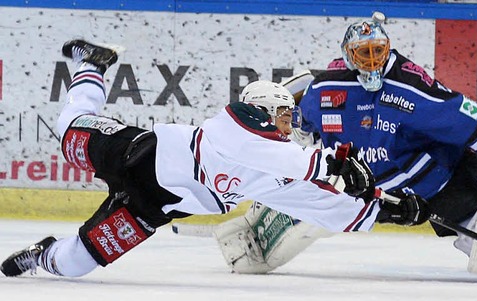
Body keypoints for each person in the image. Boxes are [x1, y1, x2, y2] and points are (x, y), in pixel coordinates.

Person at [214, 12, 477, 281]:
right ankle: (260, 228)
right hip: (366, 187)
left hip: (437, 181)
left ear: (388, 50)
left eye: (377, 52)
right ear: (349, 56)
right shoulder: (325, 90)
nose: (371, 61)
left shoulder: (410, 87)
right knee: (313, 200)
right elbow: (301, 127)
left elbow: (470, 121)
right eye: (362, 54)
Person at [0, 39, 426, 278]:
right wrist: (329, 164)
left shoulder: (274, 171)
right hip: (133, 153)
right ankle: (91, 67)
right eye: (282, 113)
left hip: (150, 207)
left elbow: (324, 206)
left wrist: (386, 210)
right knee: (73, 126)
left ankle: (41, 256)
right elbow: (267, 154)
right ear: (261, 108)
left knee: (76, 263)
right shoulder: (236, 123)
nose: (289, 122)